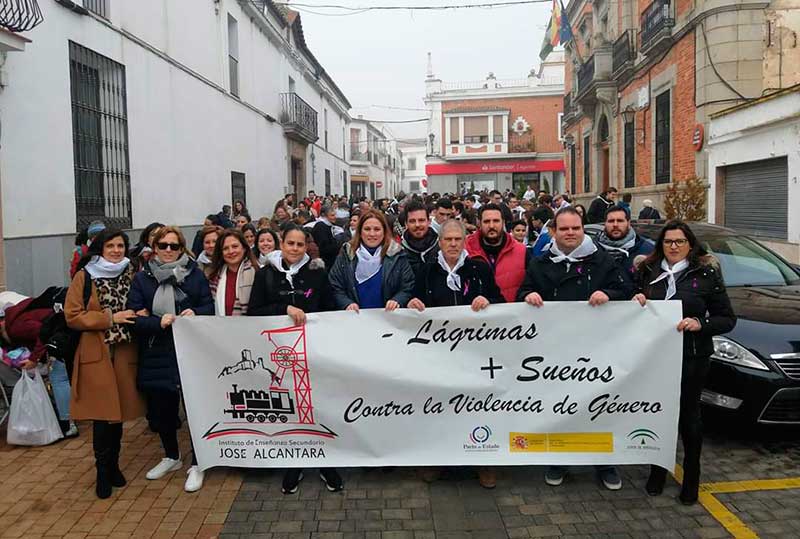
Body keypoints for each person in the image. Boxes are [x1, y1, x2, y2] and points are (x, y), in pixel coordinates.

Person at [516, 207, 633, 491]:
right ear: (554, 231)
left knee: (598, 406)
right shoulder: (541, 261)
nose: (570, 233)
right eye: (564, 229)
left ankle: (605, 462)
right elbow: (523, 291)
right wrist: (528, 295)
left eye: (575, 228)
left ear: (583, 229)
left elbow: (627, 290)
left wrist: (610, 294)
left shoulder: (603, 260)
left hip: (596, 349)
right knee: (560, 406)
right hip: (556, 351)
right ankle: (559, 459)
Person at [633, 221, 735, 505]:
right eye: (668, 242)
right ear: (661, 245)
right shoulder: (648, 271)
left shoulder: (706, 274)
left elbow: (726, 319)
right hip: (653, 357)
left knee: (689, 417)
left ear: (690, 244)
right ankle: (658, 471)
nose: (674, 246)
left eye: (679, 241)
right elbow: (633, 307)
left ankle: (691, 477)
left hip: (691, 356)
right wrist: (637, 299)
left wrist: (699, 323)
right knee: (658, 414)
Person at [407, 219, 504, 488]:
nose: (452, 244)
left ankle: (483, 460)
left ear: (464, 242)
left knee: (476, 404)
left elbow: (501, 301)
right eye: (447, 239)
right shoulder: (427, 270)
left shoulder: (478, 269)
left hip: (474, 352)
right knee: (440, 405)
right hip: (438, 353)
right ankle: (439, 458)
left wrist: (488, 301)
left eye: (457, 240)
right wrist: (413, 303)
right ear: (439, 242)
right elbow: (414, 301)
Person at [246, 224, 343, 494]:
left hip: (313, 351)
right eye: (290, 243)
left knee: (318, 405)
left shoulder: (317, 273)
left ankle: (326, 460)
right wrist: (284, 308)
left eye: (300, 245)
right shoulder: (266, 274)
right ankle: (295, 462)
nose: (295, 249)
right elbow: (254, 311)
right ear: (281, 243)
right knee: (290, 407)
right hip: (279, 355)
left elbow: (330, 310)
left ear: (306, 247)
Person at [127, 226, 214, 493]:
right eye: (163, 245)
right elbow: (134, 318)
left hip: (190, 350)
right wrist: (157, 322)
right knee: (163, 409)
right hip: (157, 351)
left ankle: (199, 462)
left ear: (182, 248)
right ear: (154, 248)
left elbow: (208, 307)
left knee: (195, 408)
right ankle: (171, 456)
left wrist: (194, 312)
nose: (168, 250)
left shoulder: (194, 275)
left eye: (173, 246)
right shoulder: (143, 279)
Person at [65, 228, 145, 499]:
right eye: (110, 245)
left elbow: (139, 303)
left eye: (120, 245)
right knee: (102, 415)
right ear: (100, 248)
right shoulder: (84, 276)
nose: (116, 250)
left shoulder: (131, 273)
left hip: (124, 353)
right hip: (96, 353)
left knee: (118, 413)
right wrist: (110, 318)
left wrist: (140, 312)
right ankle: (102, 470)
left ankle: (114, 465)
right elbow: (73, 315)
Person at [328, 210, 415, 312]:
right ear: (360, 232)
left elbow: (407, 286)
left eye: (377, 229)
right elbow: (335, 286)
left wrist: (397, 300)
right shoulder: (346, 254)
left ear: (384, 231)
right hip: (355, 319)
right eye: (367, 229)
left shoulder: (397, 254)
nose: (372, 234)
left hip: (388, 321)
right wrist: (346, 303)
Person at [464, 204, 527, 302]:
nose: (491, 226)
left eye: (496, 221)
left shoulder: (522, 251)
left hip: (511, 314)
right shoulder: (465, 249)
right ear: (479, 223)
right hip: (475, 314)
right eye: (486, 221)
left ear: (503, 222)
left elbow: (531, 285)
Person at [206, 229, 257, 317]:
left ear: (244, 248)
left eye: (235, 246)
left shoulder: (257, 274)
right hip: (221, 327)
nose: (231, 251)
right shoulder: (213, 277)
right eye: (225, 248)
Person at [595, 206, 654, 275]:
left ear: (628, 223)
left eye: (620, 221)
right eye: (611, 221)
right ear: (605, 224)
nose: (615, 225)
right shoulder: (592, 250)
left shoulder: (648, 251)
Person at [400, 200, 440, 278]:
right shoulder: (399, 253)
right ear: (406, 224)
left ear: (429, 221)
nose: (417, 225)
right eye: (412, 221)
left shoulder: (441, 249)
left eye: (421, 220)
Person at [311, 206, 344, 270]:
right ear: (324, 215)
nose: (335, 217)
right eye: (332, 215)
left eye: (335, 215)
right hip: (324, 264)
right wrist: (339, 246)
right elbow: (323, 248)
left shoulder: (327, 226)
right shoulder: (321, 227)